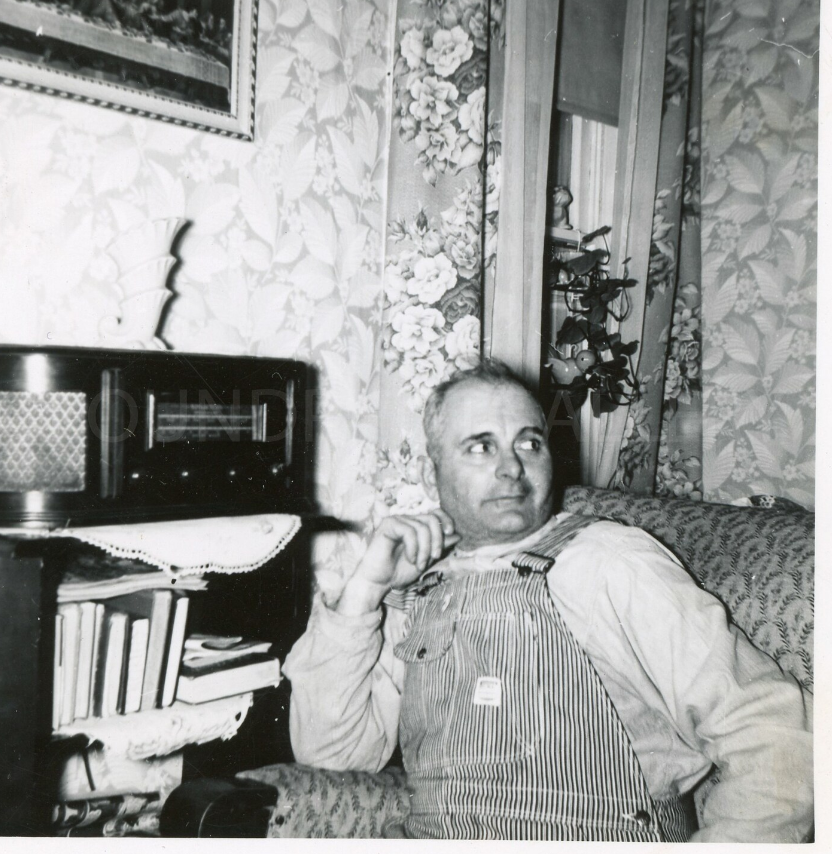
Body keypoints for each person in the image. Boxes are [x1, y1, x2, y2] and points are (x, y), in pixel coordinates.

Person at [283, 360, 813, 841]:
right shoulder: (422, 589)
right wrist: (365, 592)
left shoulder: (607, 561)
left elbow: (774, 733)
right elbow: (333, 755)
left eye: (529, 442)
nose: (512, 467)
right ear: (431, 474)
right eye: (481, 446)